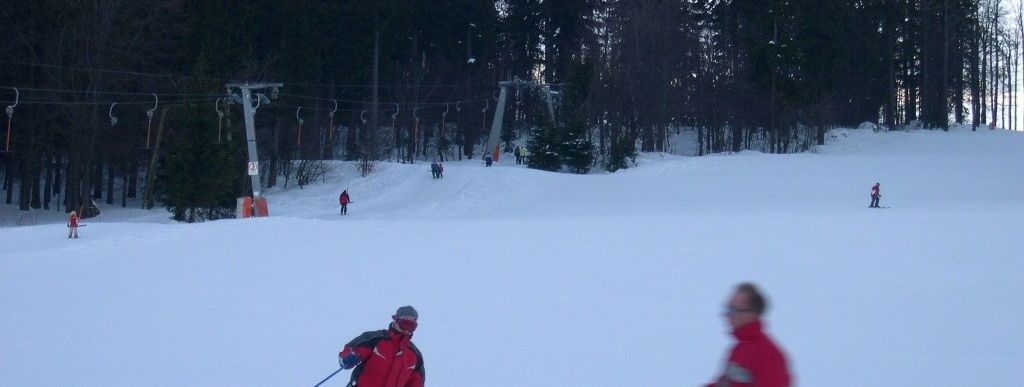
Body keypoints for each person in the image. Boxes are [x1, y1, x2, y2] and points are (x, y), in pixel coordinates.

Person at [707, 283, 792, 387]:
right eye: (727, 309)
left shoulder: (768, 355)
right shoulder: (738, 350)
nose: (727, 315)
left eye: (733, 310)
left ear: (752, 314)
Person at [338, 306, 425, 387]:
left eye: (411, 327)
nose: (407, 330)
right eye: (405, 324)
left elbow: (417, 383)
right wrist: (348, 357)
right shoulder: (374, 339)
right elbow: (350, 350)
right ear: (395, 320)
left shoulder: (415, 355)